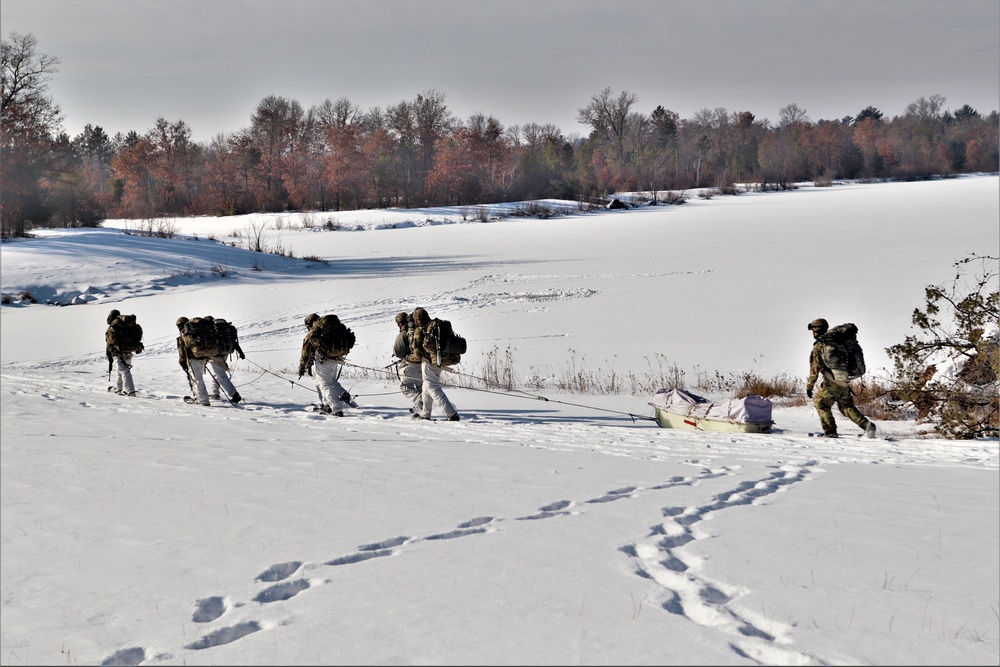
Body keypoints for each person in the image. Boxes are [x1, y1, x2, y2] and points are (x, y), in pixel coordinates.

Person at [806, 318, 876, 438]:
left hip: (831, 382)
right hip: (844, 380)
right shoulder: (839, 342)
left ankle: (830, 431)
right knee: (846, 406)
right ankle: (868, 426)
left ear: (815, 331)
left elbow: (814, 369)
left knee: (821, 404)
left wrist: (810, 385)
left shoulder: (819, 346)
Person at [176, 316, 243, 406]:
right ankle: (214, 394)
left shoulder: (186, 332)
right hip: (207, 356)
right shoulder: (202, 330)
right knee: (216, 374)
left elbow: (183, 350)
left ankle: (204, 400)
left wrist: (183, 362)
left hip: (197, 358)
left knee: (199, 379)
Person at [409, 307, 460, 421]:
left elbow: (417, 354)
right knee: (426, 389)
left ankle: (452, 414)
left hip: (429, 363)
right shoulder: (434, 327)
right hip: (439, 360)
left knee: (432, 388)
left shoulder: (420, 330)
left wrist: (408, 359)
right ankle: (425, 414)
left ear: (418, 319)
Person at [298, 313, 354, 416]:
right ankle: (336, 398)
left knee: (325, 385)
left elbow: (305, 351)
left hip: (323, 361)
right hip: (336, 358)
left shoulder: (314, 332)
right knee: (330, 381)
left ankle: (336, 410)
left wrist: (302, 366)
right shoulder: (330, 329)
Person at [105, 309, 143, 396]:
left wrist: (109, 356)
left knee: (124, 371)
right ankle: (118, 389)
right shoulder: (125, 325)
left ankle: (130, 391)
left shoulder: (113, 327)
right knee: (120, 371)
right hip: (128, 351)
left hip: (118, 353)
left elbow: (109, 344)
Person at [391, 311, 424, 413]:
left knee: (405, 388)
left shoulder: (404, 334)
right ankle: (422, 408)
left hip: (410, 365)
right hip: (425, 365)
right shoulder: (420, 330)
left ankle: (419, 401)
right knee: (421, 388)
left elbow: (398, 353)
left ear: (400, 323)